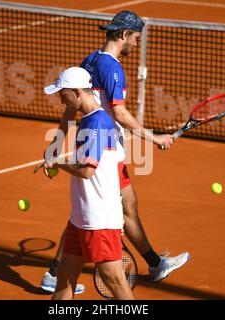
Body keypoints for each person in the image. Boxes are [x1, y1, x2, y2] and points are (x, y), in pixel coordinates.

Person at [40, 11, 189, 294]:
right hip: (105, 146)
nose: (135, 43)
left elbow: (70, 110)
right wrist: (153, 137)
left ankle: (154, 262)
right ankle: (152, 264)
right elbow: (118, 113)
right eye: (135, 38)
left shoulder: (89, 61)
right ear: (124, 35)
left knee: (110, 208)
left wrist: (56, 146)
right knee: (101, 212)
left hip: (93, 139)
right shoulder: (113, 67)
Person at [43, 66, 134, 300]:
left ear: (76, 92)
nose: (62, 101)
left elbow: (86, 171)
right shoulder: (86, 119)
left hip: (99, 220)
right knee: (64, 278)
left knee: (113, 280)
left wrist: (58, 163)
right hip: (80, 218)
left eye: (63, 96)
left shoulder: (97, 123)